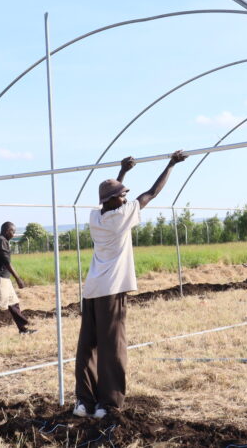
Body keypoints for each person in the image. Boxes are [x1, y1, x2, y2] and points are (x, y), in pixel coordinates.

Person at [73, 150, 187, 419]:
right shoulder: (121, 217)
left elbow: (108, 197)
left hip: (92, 290)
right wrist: (170, 165)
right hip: (112, 291)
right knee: (113, 346)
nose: (126, 198)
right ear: (115, 201)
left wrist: (122, 172)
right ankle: (108, 404)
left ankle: (84, 402)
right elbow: (152, 193)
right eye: (122, 195)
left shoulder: (96, 217)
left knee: (88, 345)